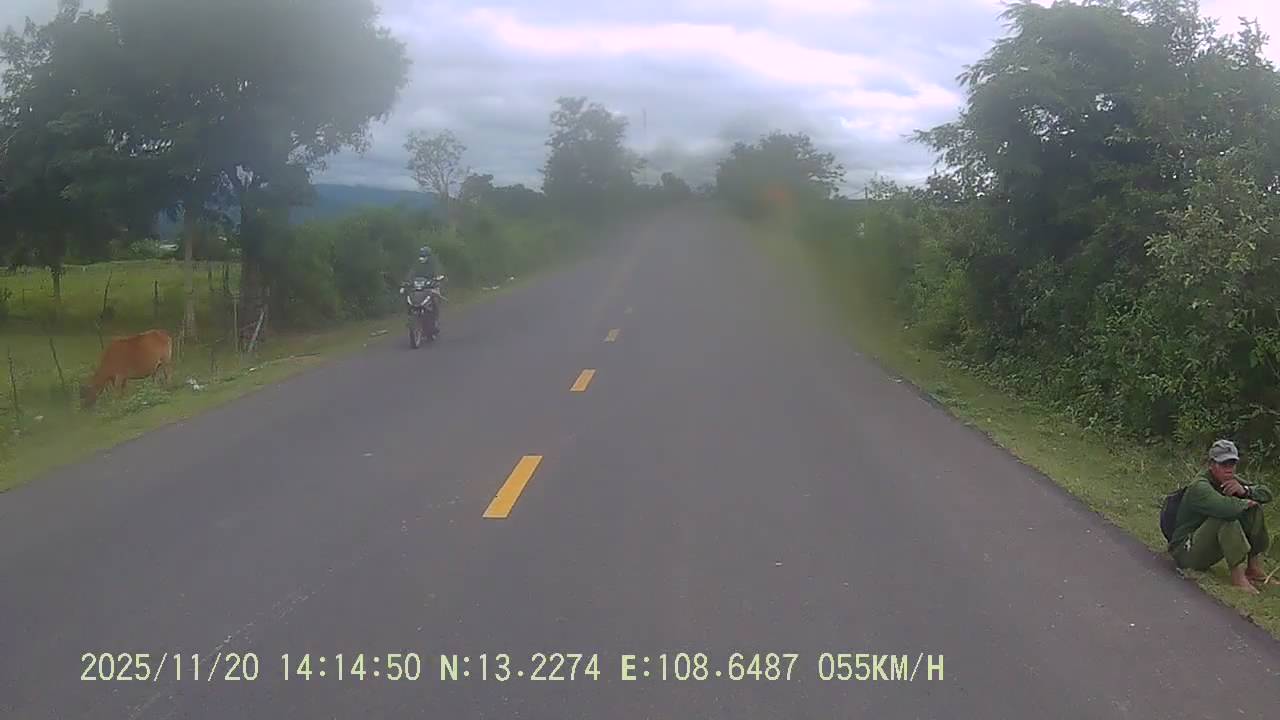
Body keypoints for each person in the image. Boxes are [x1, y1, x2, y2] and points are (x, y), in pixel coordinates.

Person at [1168, 439, 1272, 594]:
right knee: (1226, 517)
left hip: (1204, 544)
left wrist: (1245, 491)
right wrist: (1245, 502)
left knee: (1254, 511)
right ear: (1211, 464)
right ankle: (1238, 577)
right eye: (1224, 464)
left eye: (1232, 463)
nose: (1229, 469)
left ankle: (1253, 567)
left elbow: (1267, 493)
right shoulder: (1200, 486)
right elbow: (1226, 509)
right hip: (1185, 551)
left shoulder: (1229, 480)